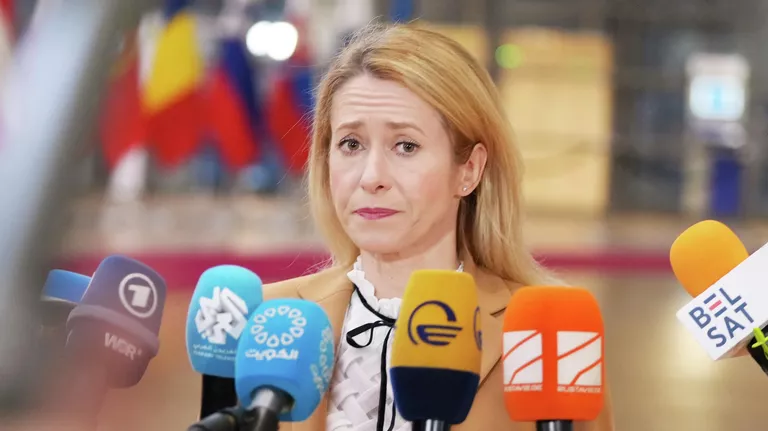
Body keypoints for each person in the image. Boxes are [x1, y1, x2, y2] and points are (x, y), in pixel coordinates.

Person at [263, 22, 615, 431]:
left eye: (406, 146)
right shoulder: (268, 320)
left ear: (469, 169)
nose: (371, 177)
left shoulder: (548, 334)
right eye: (351, 144)